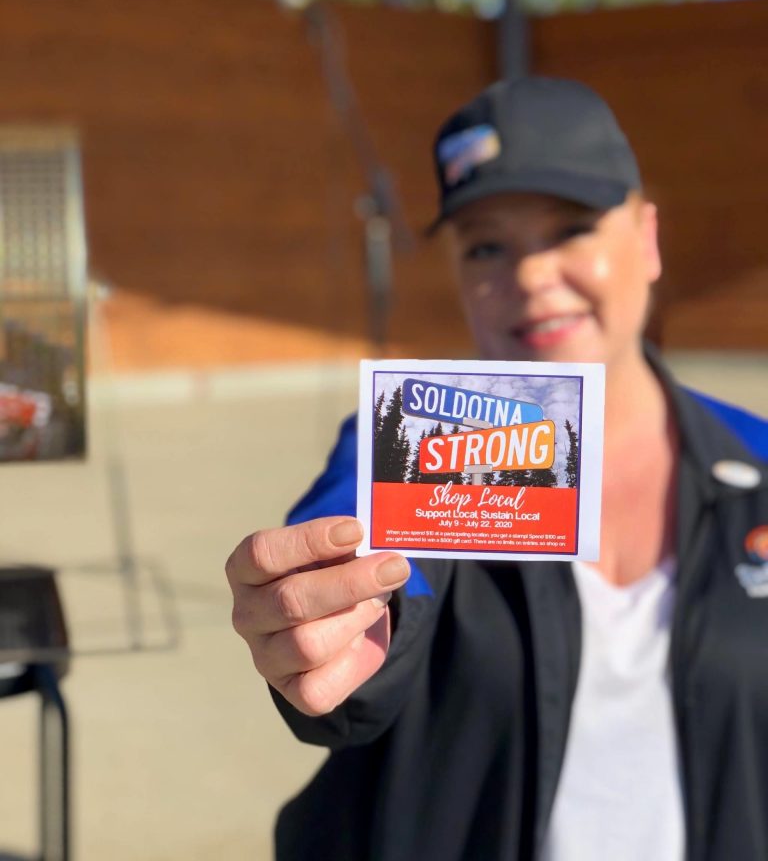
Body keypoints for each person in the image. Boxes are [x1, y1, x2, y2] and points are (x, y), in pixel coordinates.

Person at [226, 77, 768, 861]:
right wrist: (325, 626)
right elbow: (371, 572)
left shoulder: (756, 455)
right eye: (487, 245)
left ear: (647, 240)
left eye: (572, 229)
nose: (531, 276)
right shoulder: (411, 444)